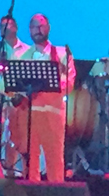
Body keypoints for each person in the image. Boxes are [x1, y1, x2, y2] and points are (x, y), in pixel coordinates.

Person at [14, 13, 76, 182]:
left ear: (48, 28)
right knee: (29, 160)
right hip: (29, 113)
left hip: (52, 113)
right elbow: (14, 86)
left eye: (41, 25)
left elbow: (69, 83)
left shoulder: (62, 53)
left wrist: (50, 83)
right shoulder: (22, 56)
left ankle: (56, 194)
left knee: (54, 159)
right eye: (34, 26)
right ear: (29, 30)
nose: (38, 30)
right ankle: (30, 194)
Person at [0, 15, 31, 176]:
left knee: (15, 134)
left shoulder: (27, 50)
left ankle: (11, 168)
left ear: (15, 27)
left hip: (17, 97)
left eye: (6, 25)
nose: (3, 29)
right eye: (1, 26)